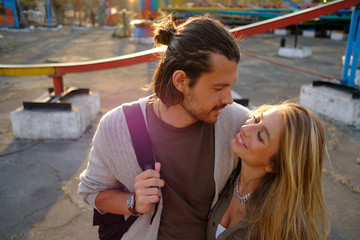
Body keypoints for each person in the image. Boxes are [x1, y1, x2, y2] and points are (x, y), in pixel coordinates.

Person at [78, 13, 250, 240]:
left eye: (231, 86)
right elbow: (92, 191)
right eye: (218, 88)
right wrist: (133, 202)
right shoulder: (117, 127)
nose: (229, 98)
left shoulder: (239, 124)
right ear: (180, 81)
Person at [207, 102, 330, 240]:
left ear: (275, 165)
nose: (246, 128)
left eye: (260, 136)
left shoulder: (282, 228)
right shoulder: (226, 171)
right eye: (256, 119)